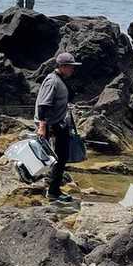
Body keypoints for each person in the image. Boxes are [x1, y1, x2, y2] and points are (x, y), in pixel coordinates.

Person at [34, 50, 81, 204]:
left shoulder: (59, 79)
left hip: (57, 122)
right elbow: (43, 105)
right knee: (57, 156)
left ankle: (52, 188)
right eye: (71, 66)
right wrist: (42, 127)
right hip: (48, 123)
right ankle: (53, 191)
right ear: (62, 66)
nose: (73, 69)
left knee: (60, 155)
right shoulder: (52, 81)